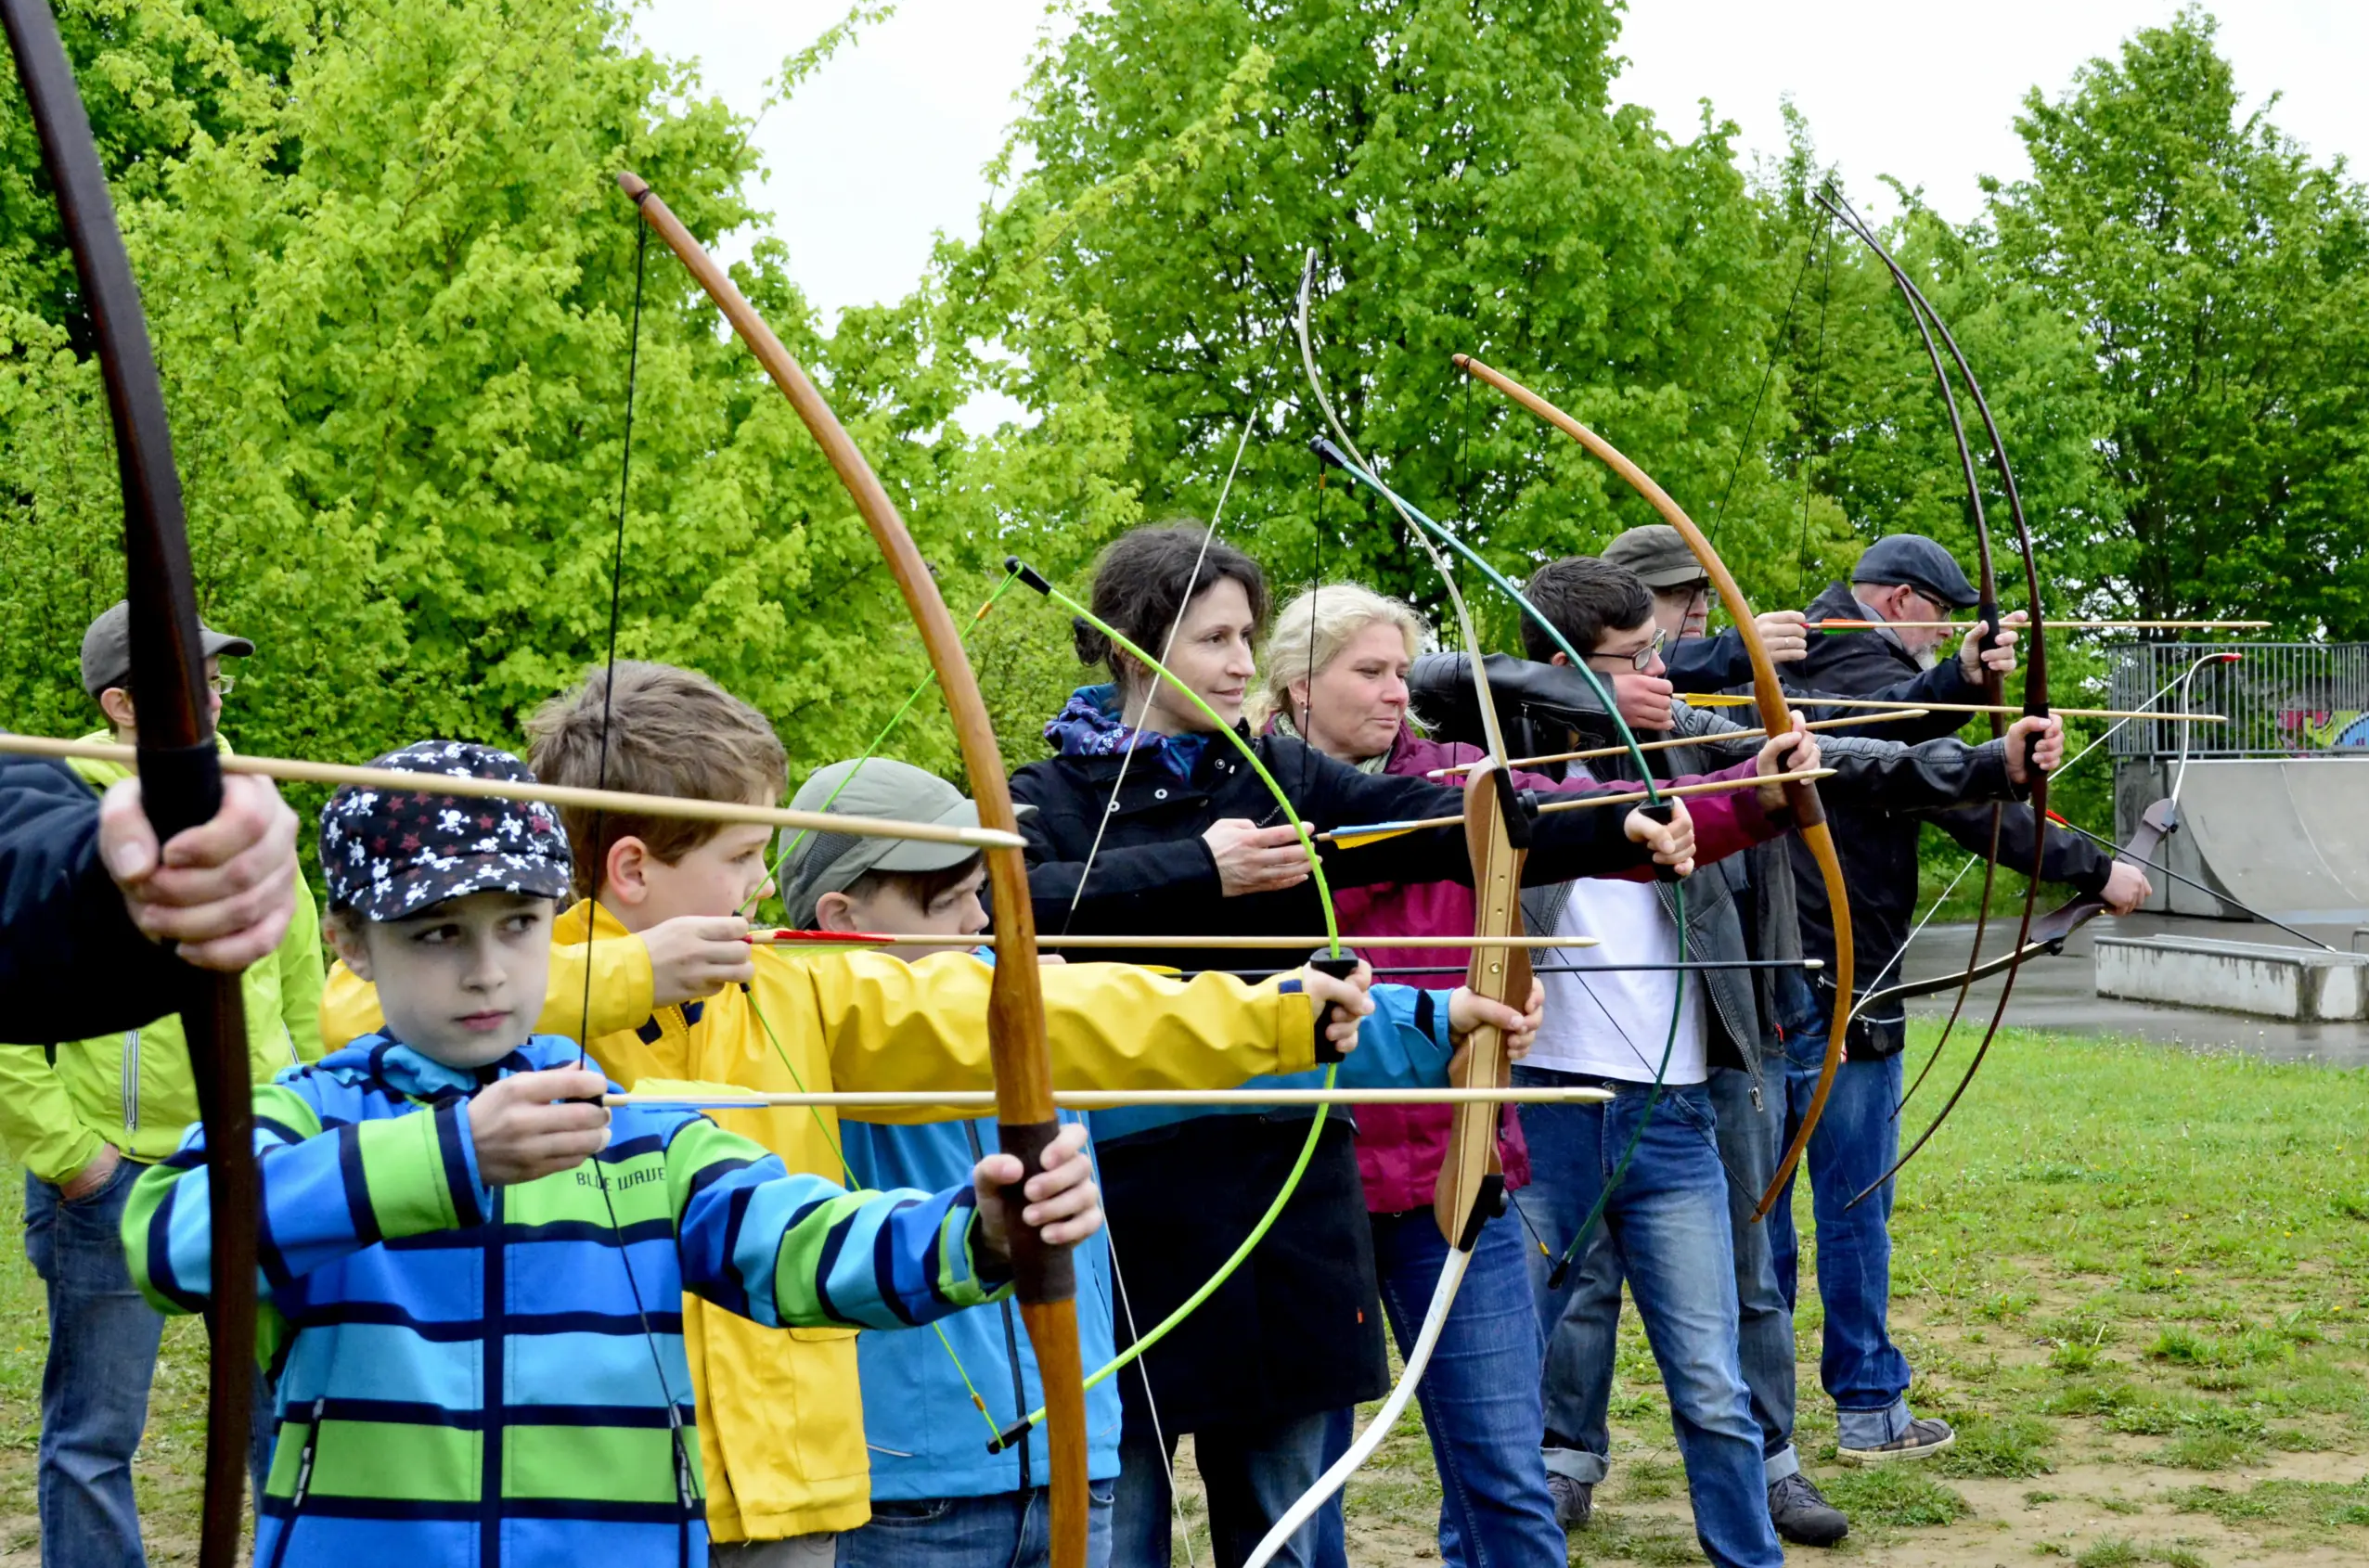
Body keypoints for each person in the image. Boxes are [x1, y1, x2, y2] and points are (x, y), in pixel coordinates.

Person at [316, 662, 1389, 1568]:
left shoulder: (791, 985)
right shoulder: (487, 1000)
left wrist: (1268, 1017)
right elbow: (357, 1008)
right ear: (636, 868)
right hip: (594, 1496)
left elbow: (1015, 1010)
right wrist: (625, 975)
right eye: (741, 859)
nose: (761, 889)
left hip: (795, 1491)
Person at [122, 740, 1107, 1568]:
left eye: (518, 927)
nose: (485, 970)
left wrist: (973, 1237)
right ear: (350, 944)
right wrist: (455, 1155)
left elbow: (802, 1248)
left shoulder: (635, 1132)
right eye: (434, 935)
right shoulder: (311, 1122)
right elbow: (169, 1241)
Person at [1007, 523, 1695, 1568]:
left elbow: (1436, 819)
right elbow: (1004, 912)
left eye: (1246, 637)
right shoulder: (1048, 798)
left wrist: (1615, 828)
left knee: (1284, 1525)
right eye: (1210, 640)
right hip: (1122, 1207)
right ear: (1129, 646)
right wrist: (1201, 869)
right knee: (1121, 1524)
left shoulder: (1283, 774)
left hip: (1282, 1199)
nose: (1240, 662)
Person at [780, 756, 1541, 1568]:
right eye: (954, 900)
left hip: (1071, 1455)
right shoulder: (798, 1026)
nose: (985, 917)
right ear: (841, 914)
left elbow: (1175, 1036)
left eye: (984, 888)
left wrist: (1434, 1022)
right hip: (903, 1487)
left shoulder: (1024, 998)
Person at [1475, 556, 2071, 1568]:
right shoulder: (1490, 761)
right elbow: (1462, 681)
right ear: (1567, 667)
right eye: (1638, 659)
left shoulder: (1691, 743)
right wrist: (1659, 671)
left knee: (1722, 1337)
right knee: (1538, 1323)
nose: (1663, 674)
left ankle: (1760, 1495)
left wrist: (1982, 753)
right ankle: (1545, 1483)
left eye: (1667, 652)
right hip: (1547, 1097)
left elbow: (1844, 763)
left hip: (1682, 1099)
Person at [1249, 583, 1810, 1568]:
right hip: (1302, 1181)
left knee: (1502, 1473)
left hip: (1454, 1167)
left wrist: (1743, 797)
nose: (1394, 693)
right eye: (1367, 673)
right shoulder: (1243, 797)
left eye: (1398, 670)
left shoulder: (1461, 771)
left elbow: (1573, 812)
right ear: (1296, 686)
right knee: (1303, 1487)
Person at [1773, 534, 2149, 1463]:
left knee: (1769, 1209)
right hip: (1840, 982)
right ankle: (1863, 1406)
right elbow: (1958, 796)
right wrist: (2095, 868)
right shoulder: (1855, 669)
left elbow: (1934, 761)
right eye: (1937, 619)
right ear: (1901, 602)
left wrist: (1962, 682)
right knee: (1851, 1198)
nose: (1936, 634)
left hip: (1768, 988)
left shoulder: (1801, 663)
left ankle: (1760, 1427)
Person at [0, 605, 318, 1568]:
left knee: (282, 1417)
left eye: (216, 678)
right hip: (116, 1176)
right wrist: (76, 1158)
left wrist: (301, 1117)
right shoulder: (58, 801)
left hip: (252, 1157)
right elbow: (12, 1019)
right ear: (121, 704)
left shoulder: (248, 798)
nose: (213, 697)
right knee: (96, 1434)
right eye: (190, 681)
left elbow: (296, 979)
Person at [0, 753, 300, 1036]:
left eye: (217, 693)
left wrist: (119, 884)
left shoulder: (250, 820)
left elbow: (299, 967)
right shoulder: (79, 773)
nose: (215, 703)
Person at [1600, 526, 1809, 693]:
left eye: (1706, 596)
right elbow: (1663, 663)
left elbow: (1820, 714)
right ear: (1622, 602)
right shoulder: (1589, 686)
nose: (1702, 610)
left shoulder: (1733, 687)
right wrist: (1739, 649)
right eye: (1681, 594)